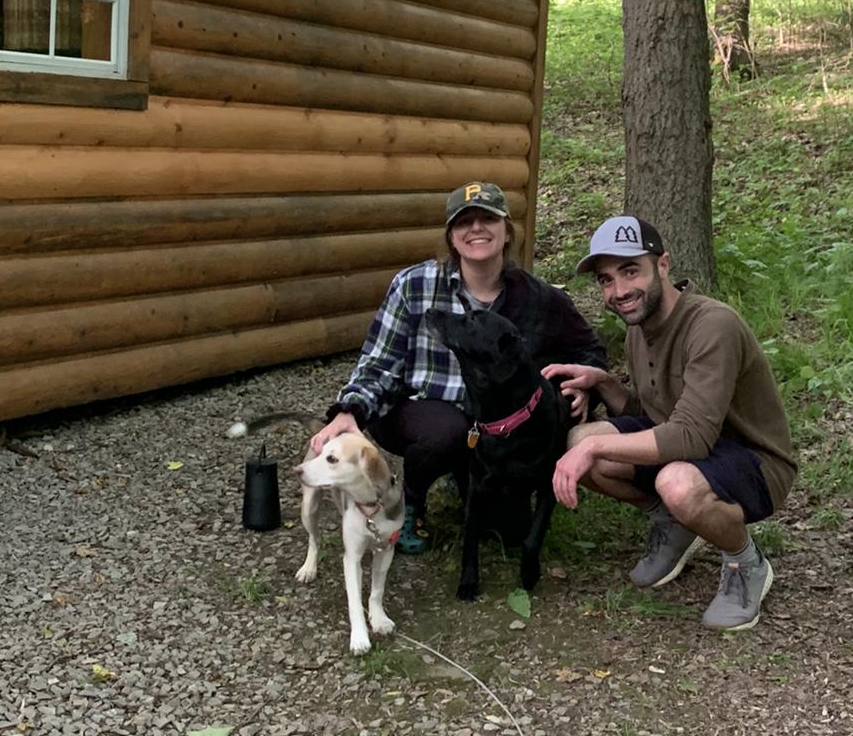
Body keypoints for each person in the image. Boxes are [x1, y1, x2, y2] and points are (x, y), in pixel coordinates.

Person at [311, 183, 608, 553]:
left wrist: (585, 383)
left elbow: (589, 348)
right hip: (420, 411)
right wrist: (349, 409)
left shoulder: (538, 298)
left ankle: (465, 475)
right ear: (451, 237)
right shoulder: (414, 285)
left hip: (496, 429)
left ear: (506, 232)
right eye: (464, 221)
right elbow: (379, 362)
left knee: (507, 533)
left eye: (488, 218)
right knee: (447, 432)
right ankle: (411, 503)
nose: (476, 228)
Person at [545, 214, 796, 632]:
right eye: (606, 280)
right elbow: (653, 413)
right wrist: (606, 384)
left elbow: (691, 436)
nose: (619, 291)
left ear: (662, 265)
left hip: (754, 462)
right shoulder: (639, 326)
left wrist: (595, 448)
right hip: (692, 453)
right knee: (580, 439)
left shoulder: (712, 325)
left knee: (672, 481)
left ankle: (745, 562)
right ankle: (675, 524)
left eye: (630, 271)